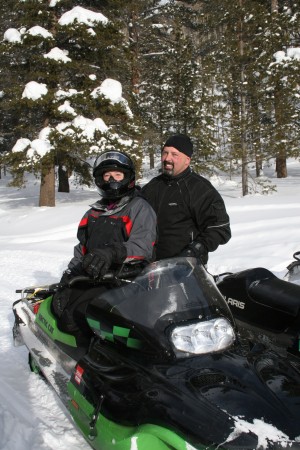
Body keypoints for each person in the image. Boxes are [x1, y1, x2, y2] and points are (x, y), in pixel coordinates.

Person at [52, 150, 156, 337]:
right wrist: (69, 274)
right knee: (63, 312)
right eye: (107, 175)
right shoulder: (94, 213)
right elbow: (81, 248)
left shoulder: (139, 208)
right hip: (94, 277)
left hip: (126, 281)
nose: (111, 180)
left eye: (117, 175)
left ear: (128, 177)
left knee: (83, 318)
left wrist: (112, 252)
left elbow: (143, 246)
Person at [141, 134, 231, 265]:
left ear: (187, 160)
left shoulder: (200, 189)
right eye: (165, 153)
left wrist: (196, 249)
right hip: (150, 268)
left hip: (185, 270)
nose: (167, 158)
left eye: (174, 154)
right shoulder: (152, 187)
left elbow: (220, 228)